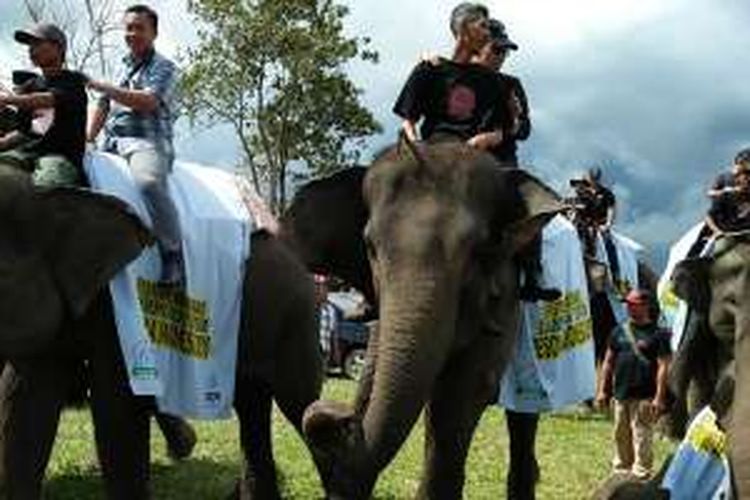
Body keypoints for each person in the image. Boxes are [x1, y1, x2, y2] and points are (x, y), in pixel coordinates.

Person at [86, 4, 183, 285]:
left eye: (139, 27)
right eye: (128, 27)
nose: (132, 33)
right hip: (112, 142)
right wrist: (89, 138)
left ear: (154, 32)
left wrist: (104, 86)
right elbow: (104, 105)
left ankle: (173, 253)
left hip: (146, 141)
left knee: (148, 182)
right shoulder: (120, 65)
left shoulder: (164, 67)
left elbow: (147, 101)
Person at [394, 3, 508, 150]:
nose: (488, 34)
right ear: (464, 28)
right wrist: (416, 145)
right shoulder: (429, 69)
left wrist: (485, 139)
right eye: (482, 26)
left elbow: (499, 132)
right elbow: (408, 121)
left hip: (472, 157)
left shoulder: (492, 80)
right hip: (431, 152)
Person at [596, 288, 672, 479]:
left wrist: (659, 397)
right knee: (620, 434)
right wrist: (602, 390)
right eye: (627, 304)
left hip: (645, 396)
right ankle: (621, 470)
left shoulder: (659, 334)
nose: (629, 307)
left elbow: (664, 366)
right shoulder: (618, 331)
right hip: (621, 394)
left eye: (633, 304)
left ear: (645, 306)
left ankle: (641, 474)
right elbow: (608, 362)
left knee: (642, 436)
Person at [0, 23, 87, 187]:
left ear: (59, 48)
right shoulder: (30, 86)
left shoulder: (73, 81)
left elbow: (49, 99)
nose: (31, 49)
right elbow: (24, 131)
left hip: (60, 157)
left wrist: (8, 99)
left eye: (37, 43)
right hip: (26, 153)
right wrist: (3, 143)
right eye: (29, 45)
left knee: (45, 188)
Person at [472, 19, 528, 166]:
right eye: (497, 50)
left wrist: (499, 137)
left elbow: (524, 129)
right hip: (456, 163)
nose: (502, 56)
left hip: (500, 167)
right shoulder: (451, 77)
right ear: (478, 48)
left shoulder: (511, 85)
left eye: (505, 51)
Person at [707, 147, 750, 233]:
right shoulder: (725, 177)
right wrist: (726, 192)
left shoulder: (747, 176)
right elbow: (710, 193)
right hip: (725, 213)